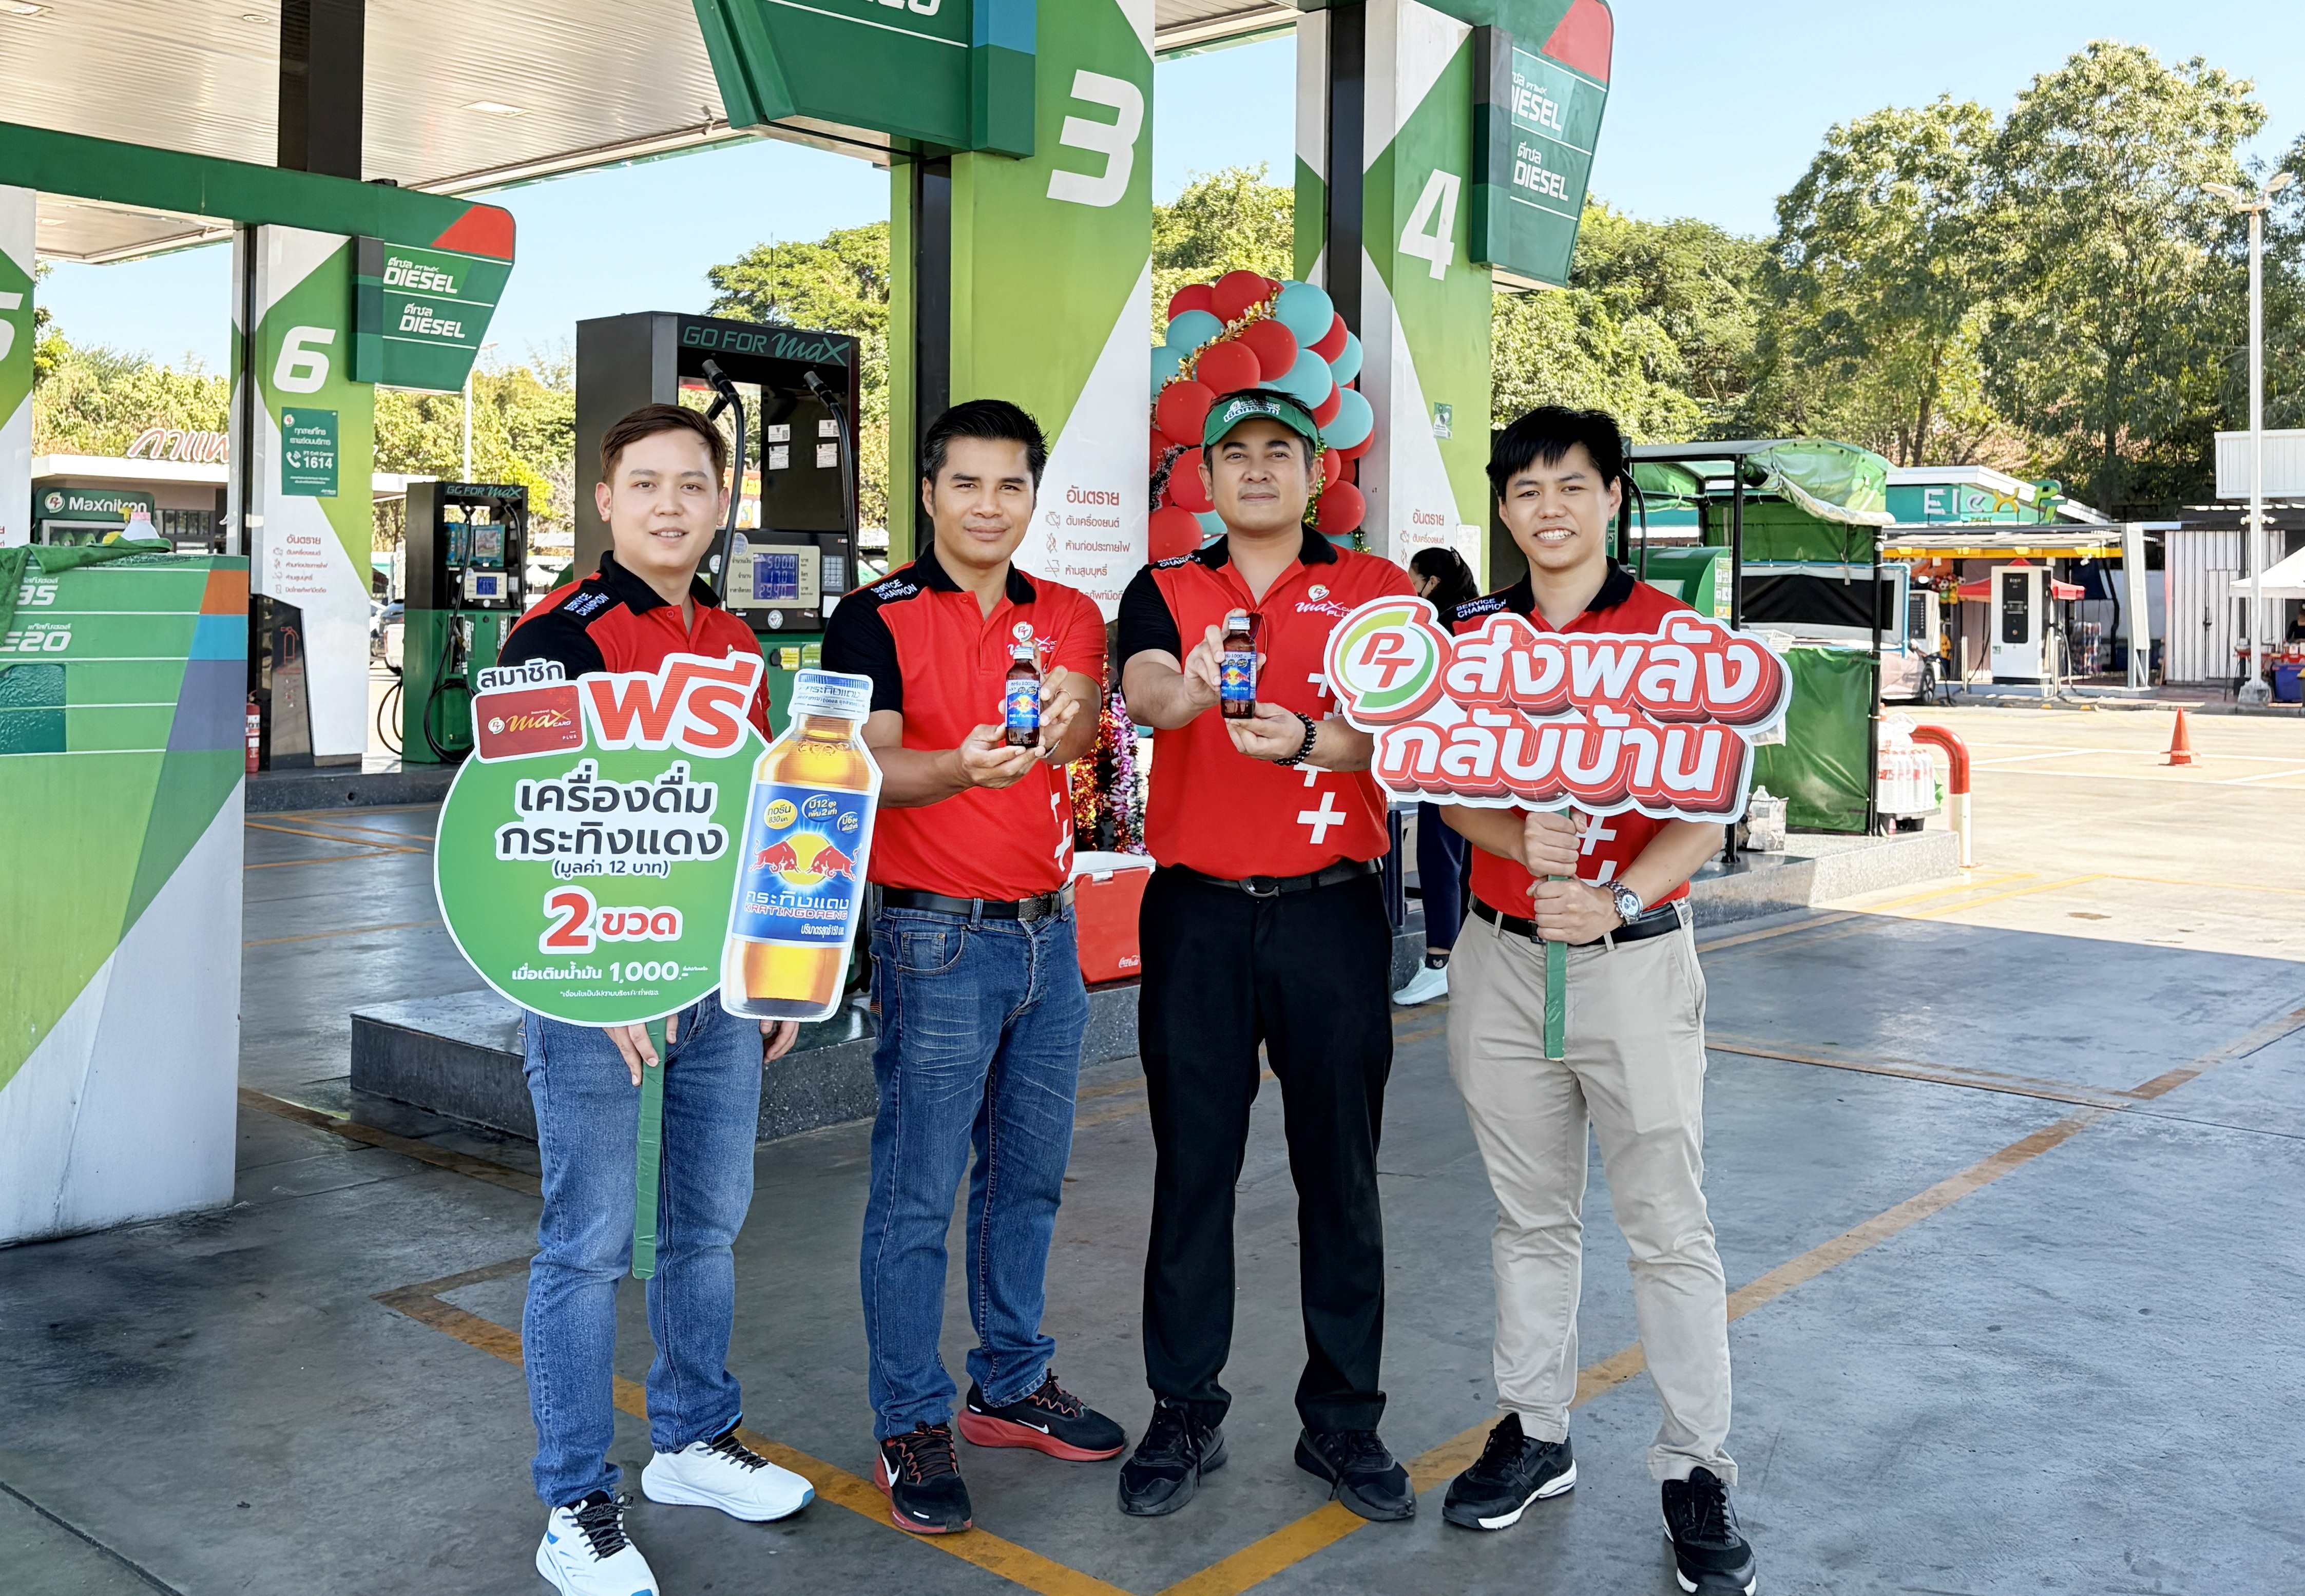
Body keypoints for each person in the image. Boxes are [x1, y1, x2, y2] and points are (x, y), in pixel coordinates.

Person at [1434, 407, 1757, 1595]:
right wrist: (1513, 836)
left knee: (1667, 1226)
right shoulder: (1474, 642)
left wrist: (1615, 898)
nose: (1549, 509)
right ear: (1503, 509)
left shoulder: (1677, 641)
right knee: (1528, 1218)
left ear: (1613, 496)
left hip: (1633, 962)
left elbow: (1706, 813)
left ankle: (1695, 1466)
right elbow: (1443, 787)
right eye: (1525, 490)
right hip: (1501, 961)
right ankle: (1536, 1432)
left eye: (1571, 484)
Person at [495, 404, 811, 1596]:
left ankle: (690, 1441)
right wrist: (589, 977)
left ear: (722, 503)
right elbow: (511, 827)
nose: (670, 505)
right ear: (604, 501)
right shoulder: (554, 639)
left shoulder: (734, 644)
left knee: (705, 1226)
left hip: (719, 981)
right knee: (585, 1244)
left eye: (691, 484)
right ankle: (575, 1500)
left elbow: (761, 819)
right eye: (645, 484)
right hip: (594, 985)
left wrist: (776, 966)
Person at [1112, 388, 1420, 1523]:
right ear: (1203, 477)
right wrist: (1192, 688)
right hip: (1195, 915)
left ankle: (1342, 1419)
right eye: (1233, 453)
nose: (1255, 470)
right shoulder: (1165, 586)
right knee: (1193, 1169)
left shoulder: (1376, 589)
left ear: (1315, 472)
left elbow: (1402, 730)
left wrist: (1306, 742)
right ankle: (1183, 1407)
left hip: (1330, 912)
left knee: (1340, 1172)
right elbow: (1146, 689)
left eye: (1278, 452)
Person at [820, 399, 1125, 1536]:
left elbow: (1080, 722)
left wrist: (1068, 711)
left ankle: (1010, 1382)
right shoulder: (874, 617)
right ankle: (911, 1416)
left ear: (1032, 495)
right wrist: (956, 766)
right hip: (933, 938)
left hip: (1052, 934)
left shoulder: (1068, 612)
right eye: (966, 484)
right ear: (929, 492)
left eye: (1011, 486)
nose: (990, 507)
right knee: (916, 1191)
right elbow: (863, 769)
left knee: (1029, 1179)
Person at [1392, 545, 1482, 1007]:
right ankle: (1466, 955)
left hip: (1446, 757)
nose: (1409, 589)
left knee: (1438, 853)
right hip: (1486, 758)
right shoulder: (1481, 618)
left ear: (1432, 583)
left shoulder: (1438, 629)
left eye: (1412, 580)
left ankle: (1439, 959)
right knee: (1470, 858)